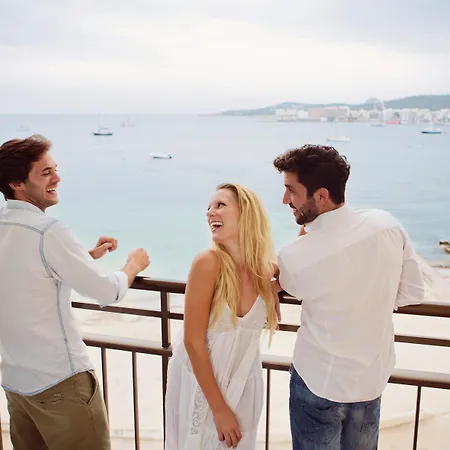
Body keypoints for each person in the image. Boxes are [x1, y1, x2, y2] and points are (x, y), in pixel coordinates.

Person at [0, 134, 150, 450]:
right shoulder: (48, 231)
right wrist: (133, 266)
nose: (57, 178)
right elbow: (108, 292)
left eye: (55, 169)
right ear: (16, 183)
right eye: (46, 173)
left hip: (16, 384)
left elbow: (23, 273)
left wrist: (85, 257)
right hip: (60, 384)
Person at [273, 144, 425, 450]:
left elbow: (290, 285)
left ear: (321, 195)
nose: (285, 200)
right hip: (370, 379)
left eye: (291, 191)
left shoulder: (295, 256)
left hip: (318, 382)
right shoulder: (386, 225)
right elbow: (411, 291)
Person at [165, 183, 279, 449]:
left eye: (220, 205)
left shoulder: (264, 270)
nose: (209, 213)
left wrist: (275, 288)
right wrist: (219, 409)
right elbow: (193, 342)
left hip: (245, 382)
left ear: (246, 213)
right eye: (209, 207)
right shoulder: (207, 263)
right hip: (203, 387)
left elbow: (299, 259)